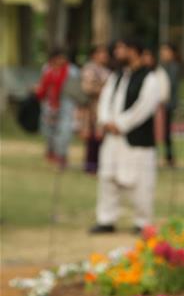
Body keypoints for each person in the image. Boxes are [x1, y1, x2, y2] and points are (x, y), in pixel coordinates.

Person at [90, 39, 161, 234]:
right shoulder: (117, 76)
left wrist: (122, 124)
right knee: (108, 177)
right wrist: (105, 121)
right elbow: (105, 100)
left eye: (122, 49)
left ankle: (142, 222)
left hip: (136, 138)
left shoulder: (149, 78)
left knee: (139, 181)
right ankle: (106, 219)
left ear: (134, 51)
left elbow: (144, 107)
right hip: (113, 138)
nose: (118, 53)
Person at [34, 48, 74, 168]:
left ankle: (62, 156)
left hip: (66, 105)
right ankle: (51, 153)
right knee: (49, 132)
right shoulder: (47, 69)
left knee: (64, 132)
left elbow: (74, 89)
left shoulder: (71, 71)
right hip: (50, 105)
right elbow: (43, 86)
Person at [79, 45, 111, 173]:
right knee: (92, 138)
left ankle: (100, 165)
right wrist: (103, 89)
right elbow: (87, 88)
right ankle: (91, 167)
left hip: (104, 108)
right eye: (101, 53)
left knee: (101, 138)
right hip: (91, 108)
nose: (104, 56)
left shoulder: (106, 70)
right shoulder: (89, 69)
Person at [159, 43, 180, 166]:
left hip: (168, 104)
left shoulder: (173, 67)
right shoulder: (163, 66)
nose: (163, 54)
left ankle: (170, 157)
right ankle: (167, 156)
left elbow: (169, 85)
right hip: (163, 104)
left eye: (165, 51)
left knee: (166, 132)